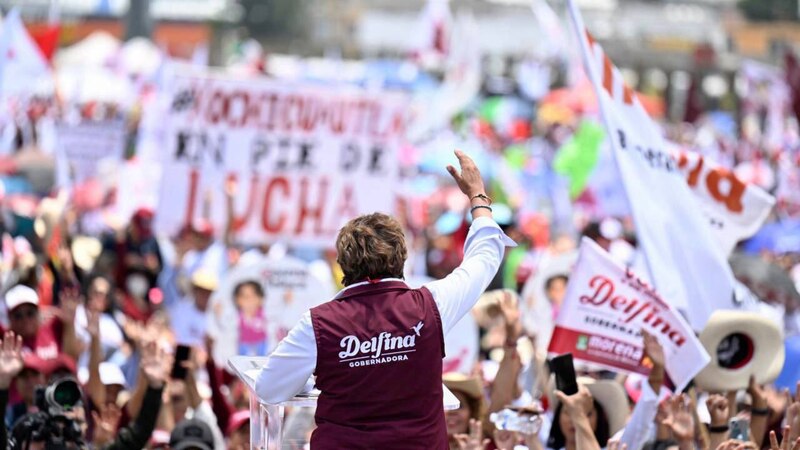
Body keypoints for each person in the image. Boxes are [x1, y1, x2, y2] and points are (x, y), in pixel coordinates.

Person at [256, 150, 515, 449]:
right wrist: (477, 196)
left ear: (343, 264)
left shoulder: (318, 324)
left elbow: (269, 389)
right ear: (402, 258)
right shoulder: (431, 305)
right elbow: (485, 257)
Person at [232, 280, 267, 356]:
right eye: (245, 297)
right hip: (244, 348)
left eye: (253, 296)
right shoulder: (237, 317)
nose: (250, 300)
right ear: (238, 300)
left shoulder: (264, 314)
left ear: (260, 299)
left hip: (262, 348)